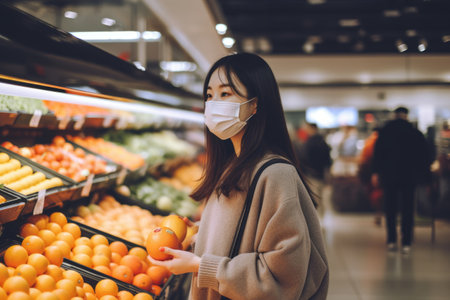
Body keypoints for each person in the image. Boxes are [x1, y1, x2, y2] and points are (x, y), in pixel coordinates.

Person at [148, 53, 329, 300]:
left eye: (225, 94)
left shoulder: (275, 174)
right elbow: (245, 235)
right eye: (209, 95)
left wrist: (199, 266)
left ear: (255, 105)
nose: (213, 104)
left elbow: (284, 276)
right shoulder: (232, 166)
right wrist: (201, 232)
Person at [372, 106, 431, 254]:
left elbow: (378, 154)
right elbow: (424, 156)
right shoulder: (415, 133)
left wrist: (376, 173)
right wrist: (424, 176)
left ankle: (391, 240)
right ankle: (406, 241)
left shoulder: (385, 132)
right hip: (409, 177)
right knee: (408, 209)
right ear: (406, 116)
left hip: (390, 175)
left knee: (390, 208)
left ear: (395, 115)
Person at [296, 122, 332, 217]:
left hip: (311, 174)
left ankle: (317, 220)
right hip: (320, 174)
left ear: (312, 128)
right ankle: (321, 218)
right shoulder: (322, 141)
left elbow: (304, 159)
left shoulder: (309, 142)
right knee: (319, 197)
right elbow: (328, 161)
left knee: (315, 197)